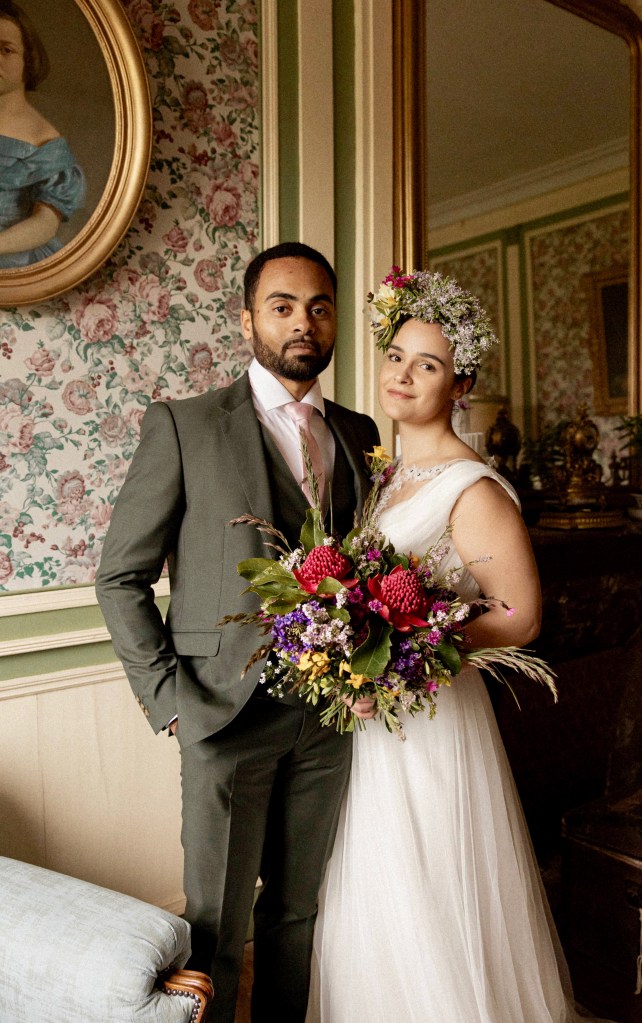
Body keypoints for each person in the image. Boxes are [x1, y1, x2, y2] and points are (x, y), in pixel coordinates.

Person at [306, 268, 609, 1022]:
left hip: (434, 717)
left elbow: (519, 615)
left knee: (433, 883)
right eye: (398, 356)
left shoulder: (469, 485)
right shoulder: (387, 476)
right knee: (378, 881)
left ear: (460, 383)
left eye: (429, 364)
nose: (404, 374)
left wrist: (403, 643)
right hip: (379, 720)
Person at [95, 242, 380, 1023]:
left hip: (328, 717)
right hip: (222, 714)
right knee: (215, 925)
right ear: (248, 318)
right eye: (283, 306)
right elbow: (119, 576)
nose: (303, 323)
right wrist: (170, 700)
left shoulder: (357, 432)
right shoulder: (185, 425)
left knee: (297, 912)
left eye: (319, 307)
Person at [0, 0, 85, 268]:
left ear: (28, 59)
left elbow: (45, 224)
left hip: (13, 260)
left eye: (5, 49)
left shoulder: (43, 139)